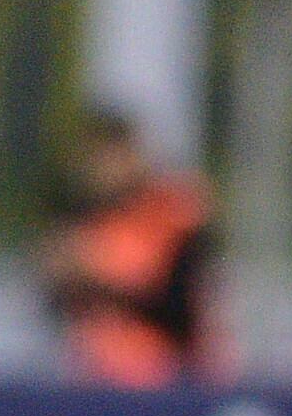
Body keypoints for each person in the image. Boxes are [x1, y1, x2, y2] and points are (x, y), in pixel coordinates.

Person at [42, 105, 225, 387]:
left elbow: (180, 308)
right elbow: (56, 309)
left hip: (172, 380)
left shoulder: (173, 212)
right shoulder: (82, 220)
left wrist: (96, 278)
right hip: (98, 378)